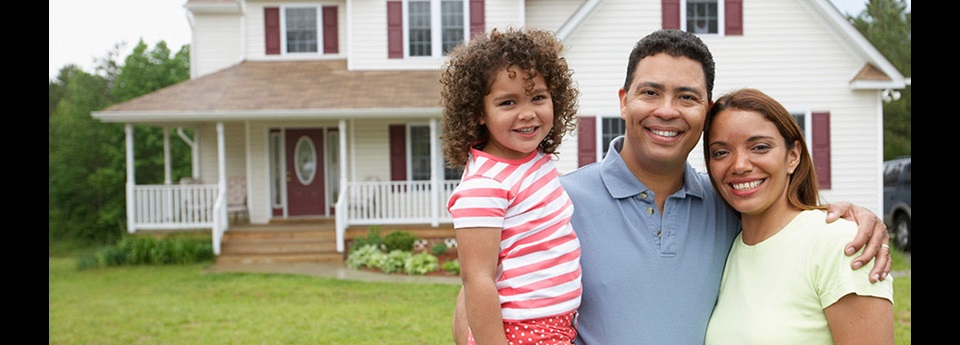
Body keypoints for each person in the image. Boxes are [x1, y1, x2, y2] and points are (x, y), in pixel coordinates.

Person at [452, 29, 892, 345]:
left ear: (706, 109)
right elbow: (478, 298)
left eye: (686, 96)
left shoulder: (729, 207)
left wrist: (851, 216)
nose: (667, 110)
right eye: (650, 93)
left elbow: (787, 222)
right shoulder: (558, 199)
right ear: (624, 100)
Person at [702, 88, 894, 344]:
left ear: (793, 156)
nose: (739, 165)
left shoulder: (843, 244)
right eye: (721, 152)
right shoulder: (728, 248)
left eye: (759, 147)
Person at [441, 27, 583, 345]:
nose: (528, 113)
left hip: (559, 325)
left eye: (538, 97)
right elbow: (477, 281)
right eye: (508, 102)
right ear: (479, 111)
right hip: (523, 334)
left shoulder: (534, 159)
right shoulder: (485, 185)